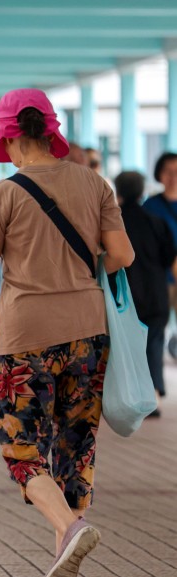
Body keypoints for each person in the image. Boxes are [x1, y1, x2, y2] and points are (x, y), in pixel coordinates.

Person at [0, 89, 134, 577]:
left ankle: (70, 530)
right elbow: (122, 256)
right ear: (50, 132)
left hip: (25, 340)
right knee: (76, 446)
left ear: (7, 136)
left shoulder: (3, 195)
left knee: (23, 448)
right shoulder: (95, 184)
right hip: (89, 335)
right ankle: (67, 563)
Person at [114, 171, 175, 415]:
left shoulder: (112, 223)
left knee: (126, 347)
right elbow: (169, 257)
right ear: (141, 192)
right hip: (156, 292)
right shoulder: (155, 222)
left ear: (118, 192)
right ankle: (154, 396)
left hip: (124, 294)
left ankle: (129, 398)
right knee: (154, 343)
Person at [142, 152, 177, 360]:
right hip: (159, 279)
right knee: (155, 331)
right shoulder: (150, 207)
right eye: (168, 172)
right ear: (159, 174)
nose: (173, 177)